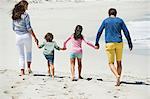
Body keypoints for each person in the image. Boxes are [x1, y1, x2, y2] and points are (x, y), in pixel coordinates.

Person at [95, 8, 133, 86]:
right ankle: (118, 79)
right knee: (119, 62)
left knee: (111, 63)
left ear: (109, 14)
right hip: (119, 43)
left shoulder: (106, 21)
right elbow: (126, 32)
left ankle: (117, 76)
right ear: (116, 13)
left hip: (109, 44)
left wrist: (96, 42)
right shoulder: (120, 20)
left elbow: (99, 31)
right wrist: (130, 42)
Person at [12, 0, 39, 76]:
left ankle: (22, 71)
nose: (28, 7)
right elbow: (29, 28)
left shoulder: (15, 15)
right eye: (27, 5)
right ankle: (29, 68)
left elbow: (13, 28)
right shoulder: (26, 15)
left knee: (21, 55)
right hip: (26, 36)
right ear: (24, 6)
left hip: (18, 36)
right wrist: (35, 37)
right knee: (29, 52)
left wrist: (19, 31)